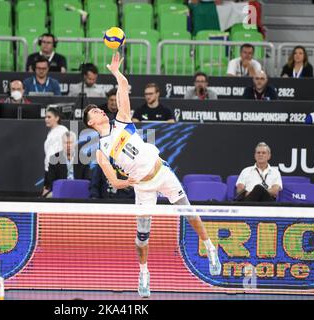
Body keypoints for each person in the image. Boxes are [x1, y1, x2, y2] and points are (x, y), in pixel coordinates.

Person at [83, 52, 221, 298]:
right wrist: (127, 181)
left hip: (163, 173)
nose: (100, 111)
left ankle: (210, 247)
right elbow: (113, 181)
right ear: (90, 123)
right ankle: (144, 273)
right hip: (143, 188)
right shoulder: (101, 151)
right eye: (94, 112)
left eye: (99, 109)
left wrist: (116, 72)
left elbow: (123, 88)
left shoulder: (123, 121)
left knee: (189, 212)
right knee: (142, 237)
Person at [43, 108, 68, 197]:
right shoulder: (51, 133)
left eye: (49, 117)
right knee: (45, 195)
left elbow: (65, 148)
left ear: (57, 118)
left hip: (58, 168)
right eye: (45, 117)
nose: (46, 119)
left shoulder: (62, 130)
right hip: (49, 168)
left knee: (56, 195)